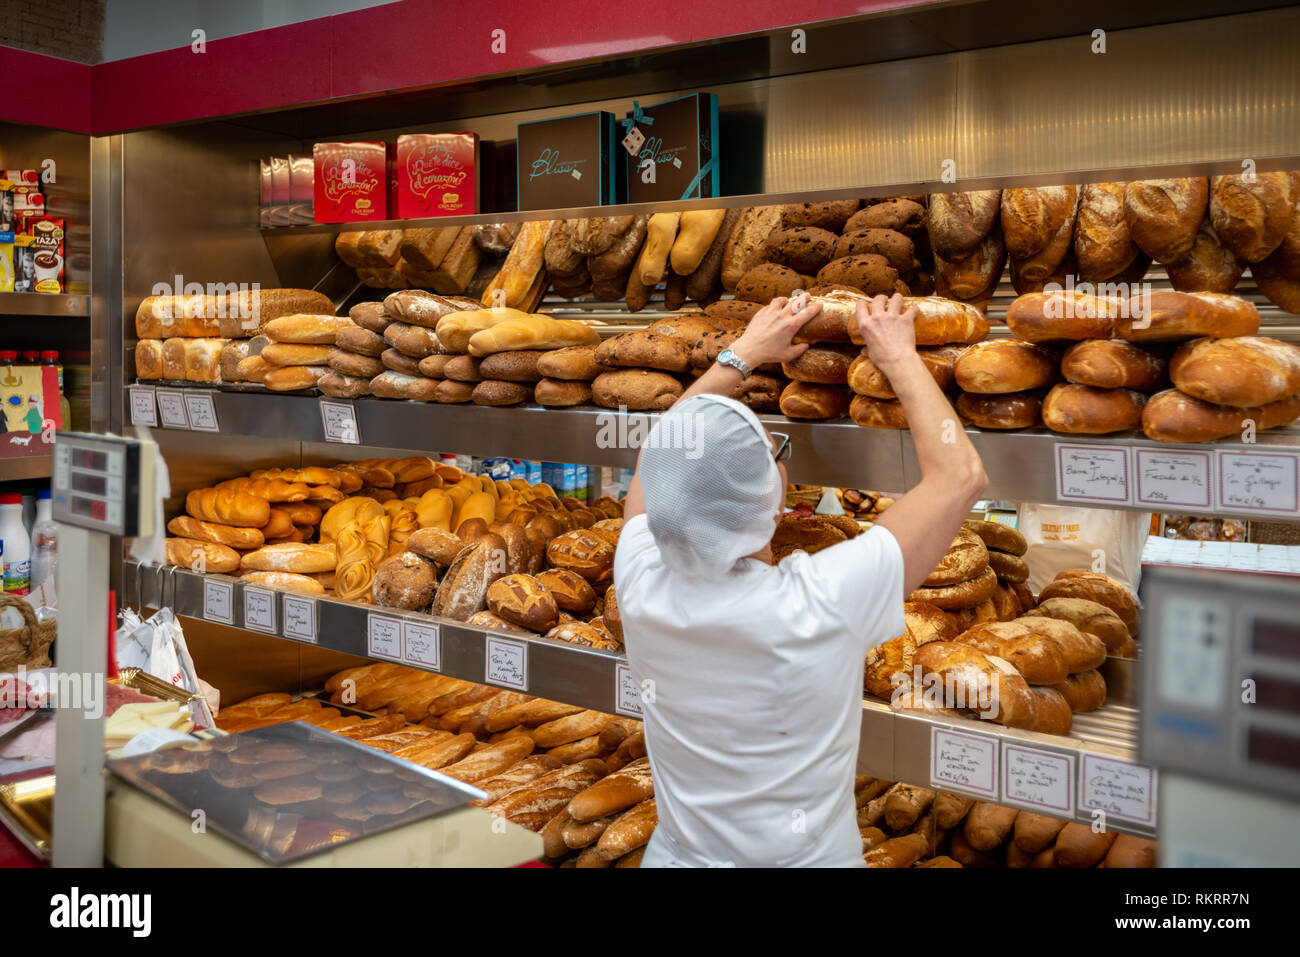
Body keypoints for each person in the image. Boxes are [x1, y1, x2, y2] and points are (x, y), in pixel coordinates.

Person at [613, 291, 988, 867]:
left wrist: (740, 356)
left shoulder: (641, 580)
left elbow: (656, 462)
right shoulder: (818, 601)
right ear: (777, 498)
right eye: (773, 454)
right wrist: (898, 356)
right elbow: (960, 475)